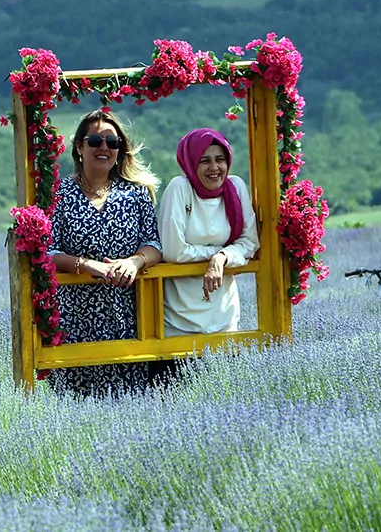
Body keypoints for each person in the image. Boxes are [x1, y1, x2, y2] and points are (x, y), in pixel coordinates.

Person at [46, 109, 163, 398]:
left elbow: (154, 245)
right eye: (95, 140)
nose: (104, 148)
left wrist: (135, 262)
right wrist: (85, 265)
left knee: (131, 400)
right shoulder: (58, 195)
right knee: (75, 401)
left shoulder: (136, 194)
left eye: (112, 143)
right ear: (79, 147)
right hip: (77, 318)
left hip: (128, 315)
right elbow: (48, 251)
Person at [152, 127, 260, 384]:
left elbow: (249, 242)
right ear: (190, 162)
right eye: (205, 160)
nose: (214, 167)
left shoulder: (235, 187)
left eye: (219, 159)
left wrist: (221, 259)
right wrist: (218, 252)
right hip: (179, 321)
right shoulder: (180, 188)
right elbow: (174, 251)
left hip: (223, 318)